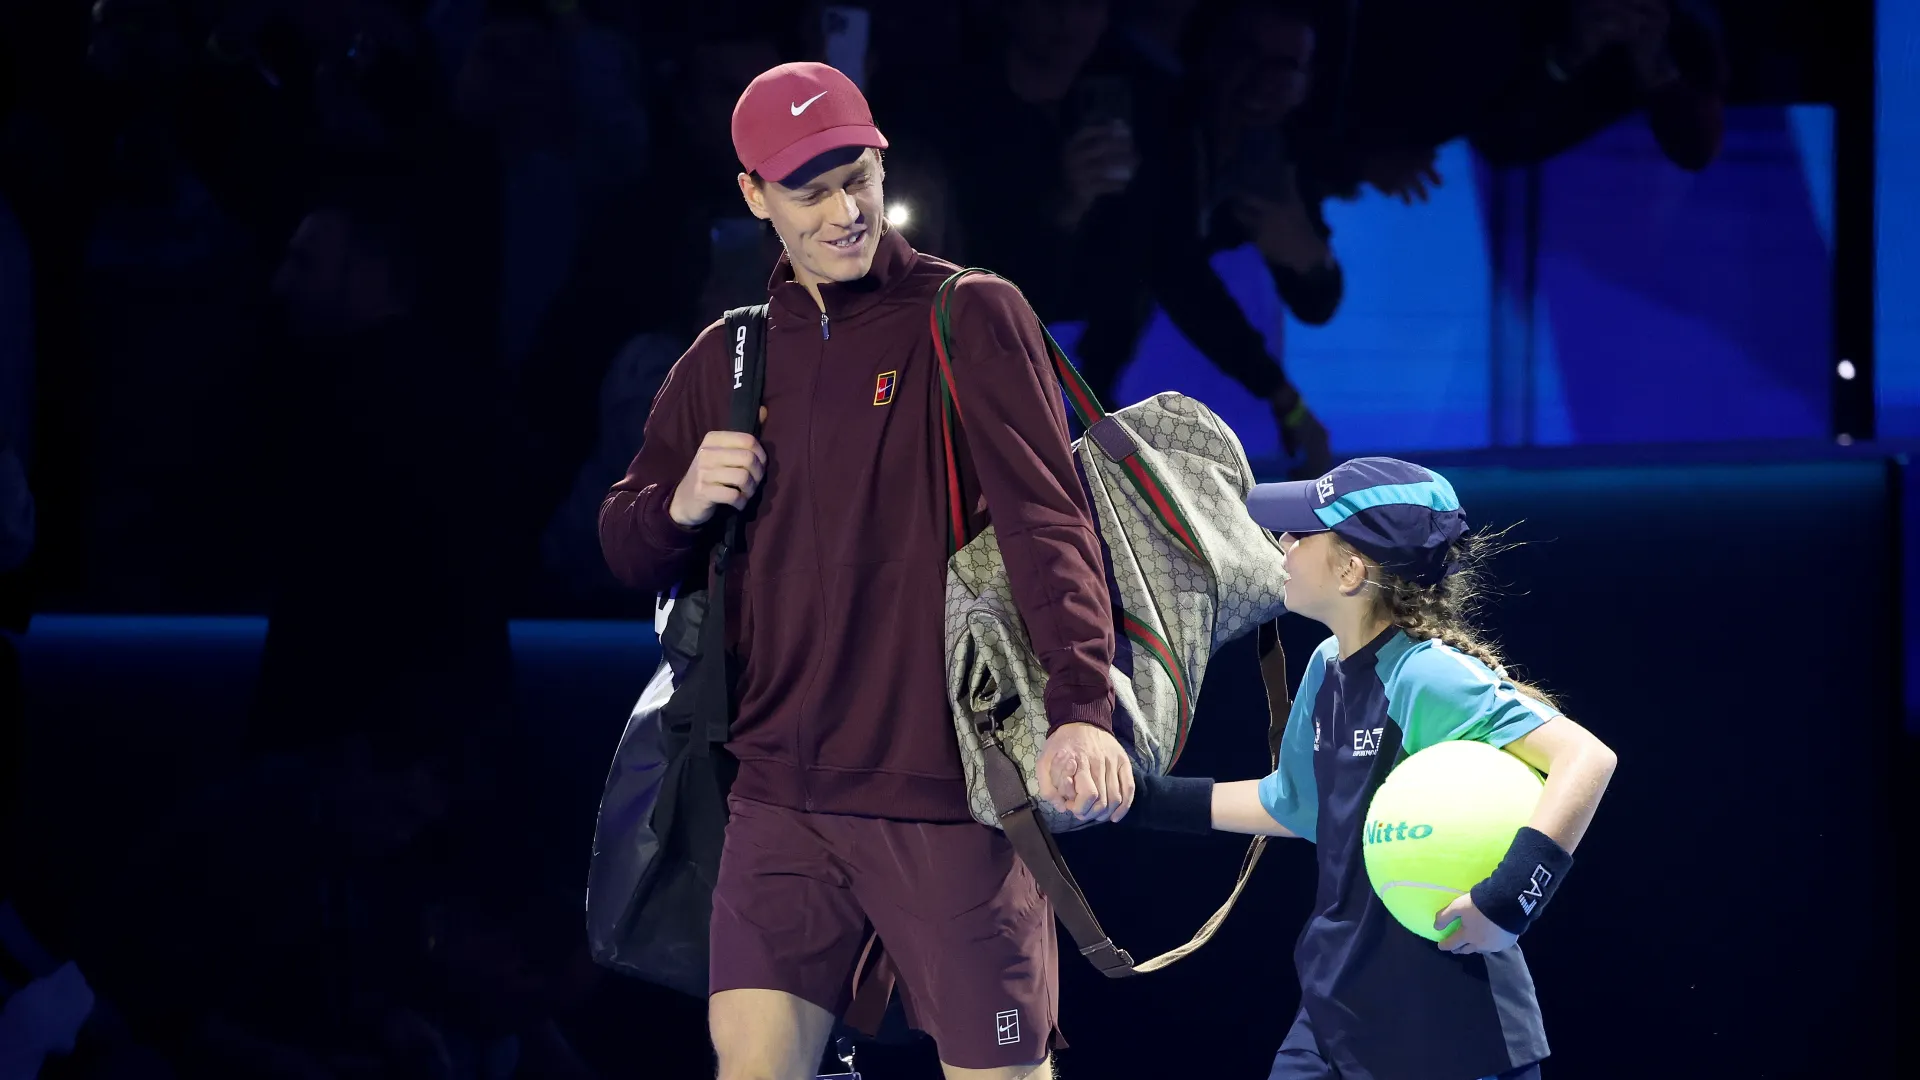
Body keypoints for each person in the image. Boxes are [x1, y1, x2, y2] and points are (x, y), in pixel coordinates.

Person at [598, 62, 1134, 1080]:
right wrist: (679, 504)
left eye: (861, 177)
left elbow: (1047, 523)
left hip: (947, 800)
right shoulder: (730, 356)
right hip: (776, 803)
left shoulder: (968, 314)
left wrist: (1080, 708)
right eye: (813, 191)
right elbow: (621, 540)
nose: (848, 211)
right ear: (755, 196)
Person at [1119, 457, 1618, 1080]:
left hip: (1446, 1023)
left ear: (1351, 569)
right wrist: (1136, 800)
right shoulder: (1326, 665)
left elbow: (1586, 757)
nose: (1282, 545)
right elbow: (1293, 804)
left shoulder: (1423, 673)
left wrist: (1509, 900)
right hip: (1336, 1004)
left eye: (1301, 535)